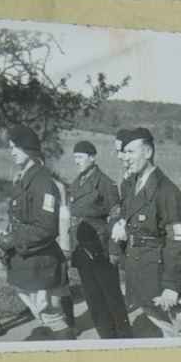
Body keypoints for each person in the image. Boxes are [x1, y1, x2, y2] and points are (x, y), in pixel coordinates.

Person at [111, 127, 181, 337]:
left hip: (161, 275)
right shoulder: (134, 186)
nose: (126, 158)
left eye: (131, 152)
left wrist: (171, 286)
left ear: (148, 152)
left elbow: (178, 243)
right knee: (167, 330)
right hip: (142, 272)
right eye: (125, 152)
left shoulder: (166, 191)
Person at [0, 126, 72, 340]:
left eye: (15, 147)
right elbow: (21, 221)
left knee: (53, 318)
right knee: (47, 318)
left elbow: (46, 228)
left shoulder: (43, 183)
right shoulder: (24, 180)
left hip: (41, 264)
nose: (12, 152)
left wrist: (13, 239)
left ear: (29, 149)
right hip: (29, 264)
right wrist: (5, 235)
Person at [68, 140, 131, 340]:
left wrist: (114, 251)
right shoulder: (76, 183)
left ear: (92, 157)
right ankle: (106, 336)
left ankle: (124, 335)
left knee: (111, 295)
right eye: (74, 157)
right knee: (93, 298)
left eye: (80, 156)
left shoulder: (105, 183)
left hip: (101, 248)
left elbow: (116, 218)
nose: (76, 161)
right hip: (82, 248)